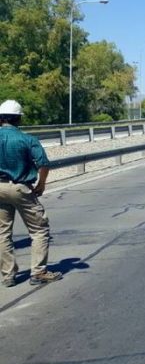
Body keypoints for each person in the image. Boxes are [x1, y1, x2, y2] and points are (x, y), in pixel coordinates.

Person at [0, 100, 62, 287]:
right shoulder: (27, 139)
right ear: (18, 119)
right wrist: (41, 184)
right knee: (39, 229)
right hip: (20, 187)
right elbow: (43, 163)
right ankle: (38, 272)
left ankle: (8, 275)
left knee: (2, 233)